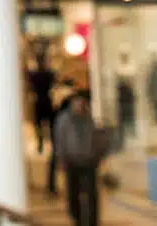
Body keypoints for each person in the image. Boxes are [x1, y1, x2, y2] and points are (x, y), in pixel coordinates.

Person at [54, 92, 105, 226]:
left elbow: (96, 138)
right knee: (73, 193)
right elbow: (60, 140)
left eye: (82, 103)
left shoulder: (89, 118)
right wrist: (61, 159)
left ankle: (92, 221)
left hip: (89, 161)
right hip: (72, 161)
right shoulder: (64, 119)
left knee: (91, 193)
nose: (80, 105)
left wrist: (97, 155)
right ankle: (77, 218)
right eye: (77, 103)